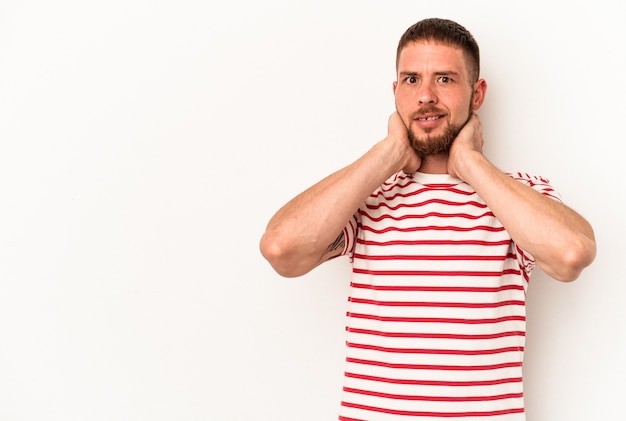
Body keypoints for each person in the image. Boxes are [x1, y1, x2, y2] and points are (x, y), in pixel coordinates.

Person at [259, 17, 596, 420]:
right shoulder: (366, 198)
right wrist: (389, 152)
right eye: (411, 80)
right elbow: (282, 250)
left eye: (445, 79)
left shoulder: (519, 195)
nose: (426, 96)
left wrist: (470, 163)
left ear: (477, 94)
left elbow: (572, 253)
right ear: (395, 91)